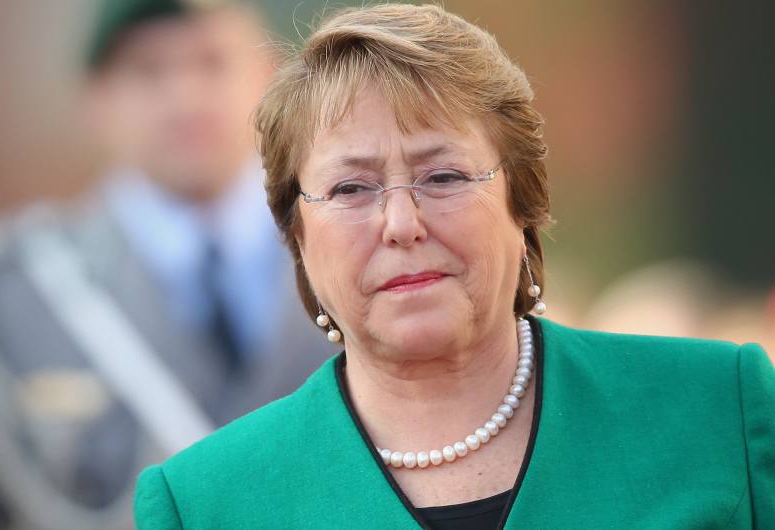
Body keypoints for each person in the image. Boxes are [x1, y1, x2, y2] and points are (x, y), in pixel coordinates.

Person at [133, 4, 775, 528]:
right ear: (297, 235)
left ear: (521, 203)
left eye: (442, 175)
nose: (402, 224)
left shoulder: (719, 410)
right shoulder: (203, 504)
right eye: (352, 189)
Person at [0, 1, 336, 529]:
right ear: (95, 101)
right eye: (148, 71)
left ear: (270, 78)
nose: (186, 98)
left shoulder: (357, 248)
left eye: (212, 61)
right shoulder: (5, 295)